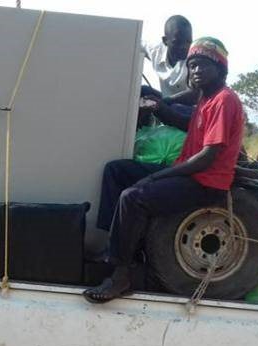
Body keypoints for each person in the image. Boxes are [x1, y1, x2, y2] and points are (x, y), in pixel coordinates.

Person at [85, 37, 244, 303]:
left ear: (221, 70)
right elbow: (179, 97)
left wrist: (159, 175)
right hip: (190, 174)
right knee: (116, 171)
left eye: (203, 65)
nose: (195, 71)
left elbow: (207, 158)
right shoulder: (206, 95)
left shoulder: (224, 101)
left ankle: (121, 275)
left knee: (133, 197)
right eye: (192, 66)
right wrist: (156, 99)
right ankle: (114, 248)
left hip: (205, 183)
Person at [139, 15, 198, 127]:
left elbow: (195, 94)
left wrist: (163, 102)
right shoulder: (155, 51)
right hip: (166, 102)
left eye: (188, 42)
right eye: (178, 42)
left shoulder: (194, 59)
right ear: (165, 41)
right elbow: (133, 39)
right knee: (142, 92)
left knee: (176, 108)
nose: (184, 47)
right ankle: (140, 131)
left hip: (190, 110)